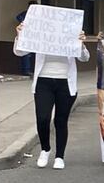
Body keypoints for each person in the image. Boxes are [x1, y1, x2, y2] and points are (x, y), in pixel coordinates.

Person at [13, 21, 89, 169]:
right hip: (43, 81)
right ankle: (45, 149)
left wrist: (80, 43)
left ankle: (60, 156)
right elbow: (19, 52)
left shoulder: (72, 36)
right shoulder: (41, 35)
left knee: (61, 120)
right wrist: (21, 34)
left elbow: (84, 58)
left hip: (65, 83)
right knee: (42, 118)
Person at [15, 1, 36, 77]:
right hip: (26, 36)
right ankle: (26, 70)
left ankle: (32, 69)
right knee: (26, 54)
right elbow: (18, 17)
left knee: (34, 54)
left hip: (35, 36)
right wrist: (23, 22)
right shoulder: (25, 13)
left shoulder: (37, 14)